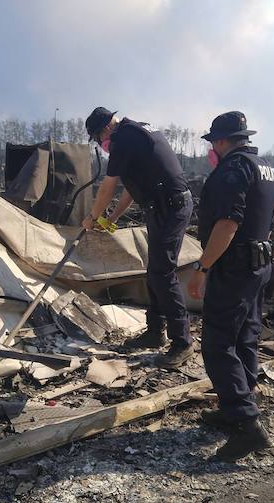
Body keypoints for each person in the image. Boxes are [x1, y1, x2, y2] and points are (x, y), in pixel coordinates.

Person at [187, 111, 274, 462]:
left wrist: (203, 267)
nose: (212, 150)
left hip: (234, 266)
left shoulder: (232, 169)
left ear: (222, 141)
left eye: (213, 143)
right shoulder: (265, 167)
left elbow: (227, 223)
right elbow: (267, 223)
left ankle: (246, 427)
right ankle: (238, 403)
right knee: (245, 337)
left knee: (218, 343)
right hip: (258, 265)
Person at [83, 106, 194, 369]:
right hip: (162, 206)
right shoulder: (134, 133)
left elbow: (108, 186)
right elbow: (131, 189)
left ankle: (183, 342)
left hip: (171, 206)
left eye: (99, 139)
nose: (101, 145)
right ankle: (155, 332)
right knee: (155, 270)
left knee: (162, 272)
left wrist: (92, 216)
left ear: (106, 129)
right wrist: (111, 219)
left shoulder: (124, 138)